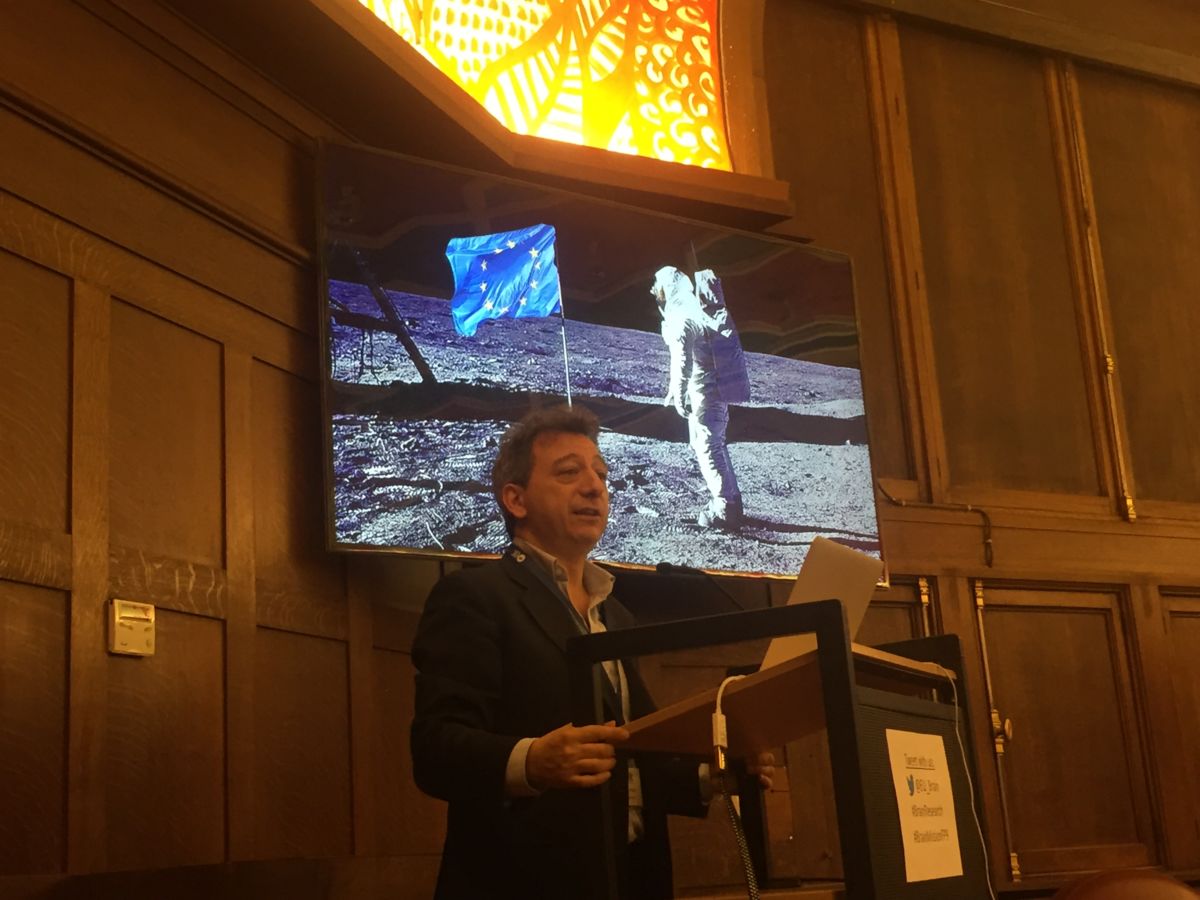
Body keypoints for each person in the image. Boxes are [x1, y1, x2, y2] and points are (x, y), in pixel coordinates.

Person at [410, 405, 771, 899]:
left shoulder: (615, 614)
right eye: (568, 473)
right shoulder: (475, 596)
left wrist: (715, 775)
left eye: (601, 474)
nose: (594, 487)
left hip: (630, 878)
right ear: (515, 499)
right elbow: (434, 750)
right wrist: (531, 761)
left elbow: (631, 761)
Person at [651, 266, 751, 529]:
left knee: (708, 446)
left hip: (706, 393)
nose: (656, 296)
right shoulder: (694, 309)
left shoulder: (682, 316)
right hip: (713, 390)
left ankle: (724, 509)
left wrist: (678, 392)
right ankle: (732, 501)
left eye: (658, 290)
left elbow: (682, 360)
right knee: (712, 443)